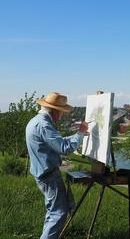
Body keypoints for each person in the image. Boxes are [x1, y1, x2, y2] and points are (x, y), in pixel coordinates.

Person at [26, 92, 89, 239]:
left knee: (53, 211)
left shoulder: (36, 121)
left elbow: (55, 142)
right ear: (55, 110)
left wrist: (76, 136)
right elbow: (64, 148)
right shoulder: (44, 125)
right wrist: (80, 133)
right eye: (61, 112)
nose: (62, 115)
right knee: (58, 213)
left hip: (42, 172)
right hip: (48, 175)